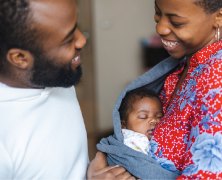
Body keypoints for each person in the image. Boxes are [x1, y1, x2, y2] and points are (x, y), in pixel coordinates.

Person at [88, 0, 222, 179]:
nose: (161, 28)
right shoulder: (185, 66)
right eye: (158, 14)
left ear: (220, 17)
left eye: (176, 22)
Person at [0, 0, 135, 179]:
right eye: (68, 39)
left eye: (76, 26)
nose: (82, 40)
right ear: (20, 58)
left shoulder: (54, 75)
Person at [119, 88, 163, 154]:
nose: (154, 120)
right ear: (123, 125)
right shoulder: (131, 141)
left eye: (159, 116)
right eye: (143, 117)